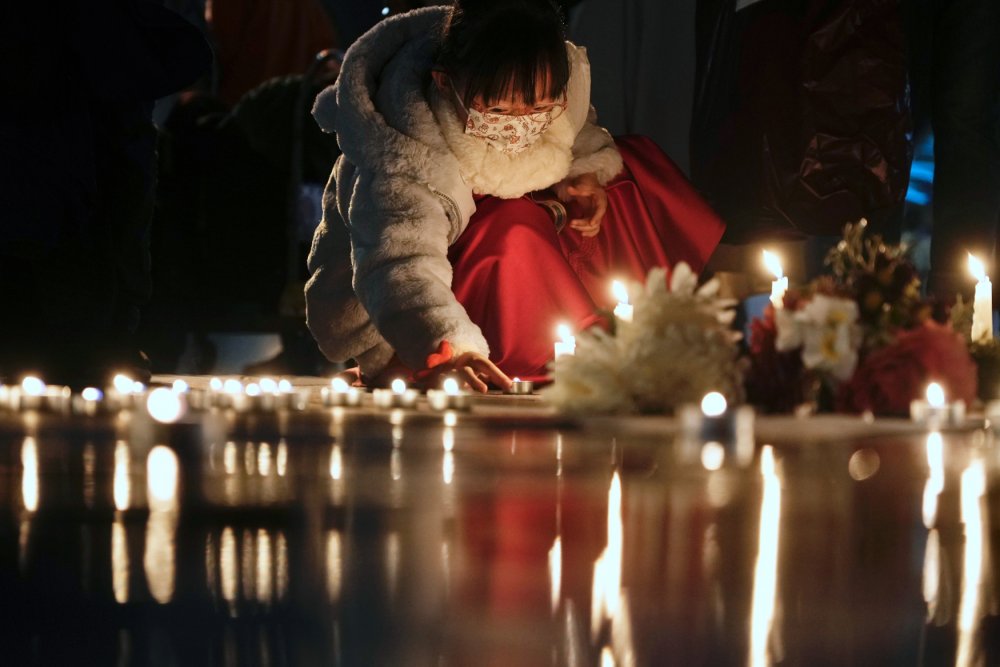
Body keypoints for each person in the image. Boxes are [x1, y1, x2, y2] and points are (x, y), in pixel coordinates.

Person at [305, 0, 724, 391]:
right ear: (445, 84)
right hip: (397, 313)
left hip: (490, 256)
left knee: (631, 172)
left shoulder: (555, 98)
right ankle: (536, 356)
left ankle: (643, 325)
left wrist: (584, 177)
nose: (520, 126)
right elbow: (402, 266)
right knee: (513, 226)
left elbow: (575, 130)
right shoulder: (403, 154)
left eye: (539, 108)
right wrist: (446, 345)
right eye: (501, 112)